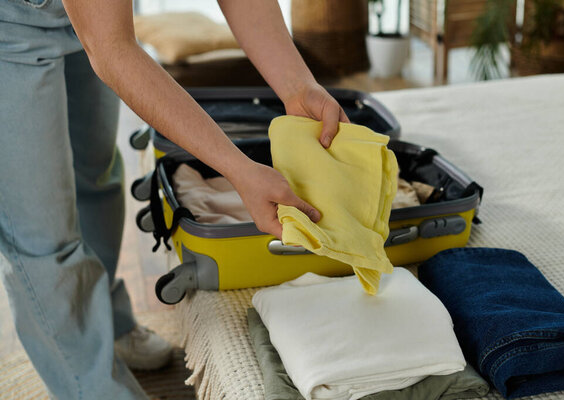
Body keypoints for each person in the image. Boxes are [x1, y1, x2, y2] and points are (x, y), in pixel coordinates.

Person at [0, 0, 349, 398]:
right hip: (8, 28)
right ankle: (95, 389)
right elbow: (111, 50)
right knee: (42, 235)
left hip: (80, 13)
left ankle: (107, 326)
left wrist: (298, 86)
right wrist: (238, 170)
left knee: (96, 177)